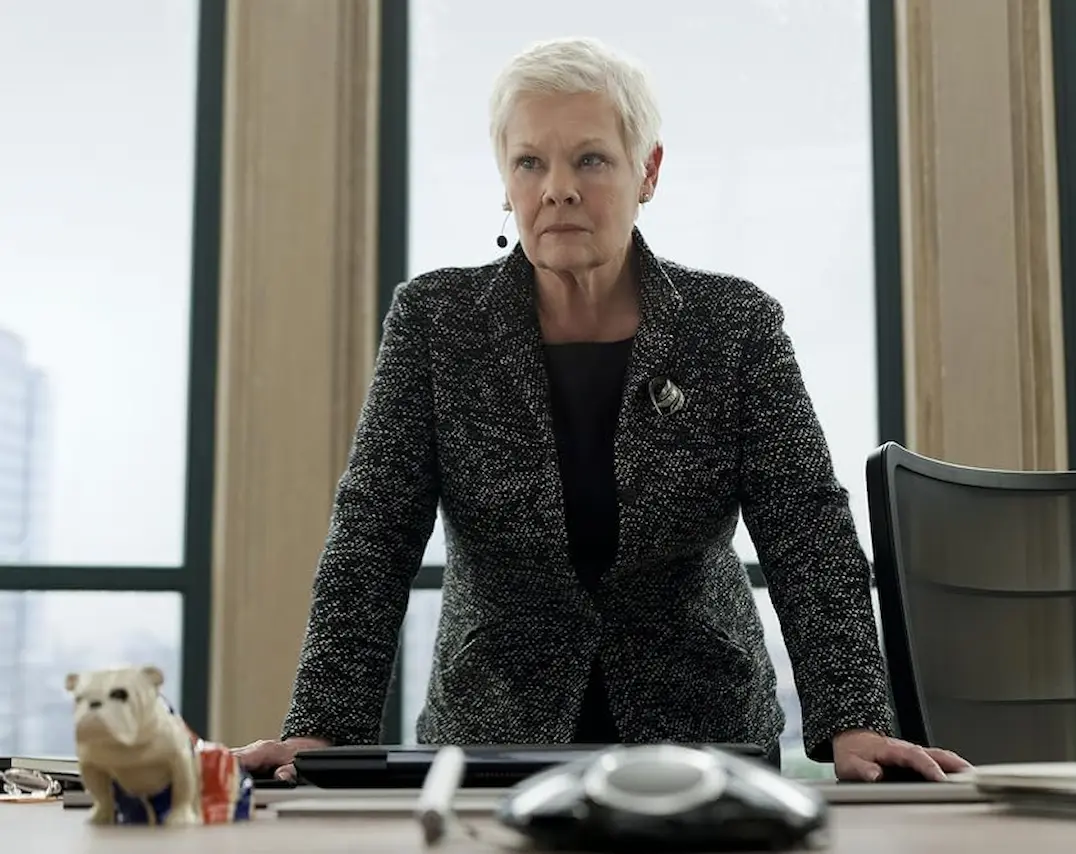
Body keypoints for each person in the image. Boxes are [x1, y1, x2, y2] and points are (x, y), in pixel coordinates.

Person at [234, 36, 968, 784]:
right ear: (505, 180)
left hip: (702, 743)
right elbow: (373, 536)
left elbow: (806, 530)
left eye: (590, 159)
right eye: (530, 162)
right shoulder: (435, 323)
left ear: (647, 171)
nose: (558, 189)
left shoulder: (733, 325)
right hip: (492, 741)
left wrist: (855, 719)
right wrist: (322, 730)